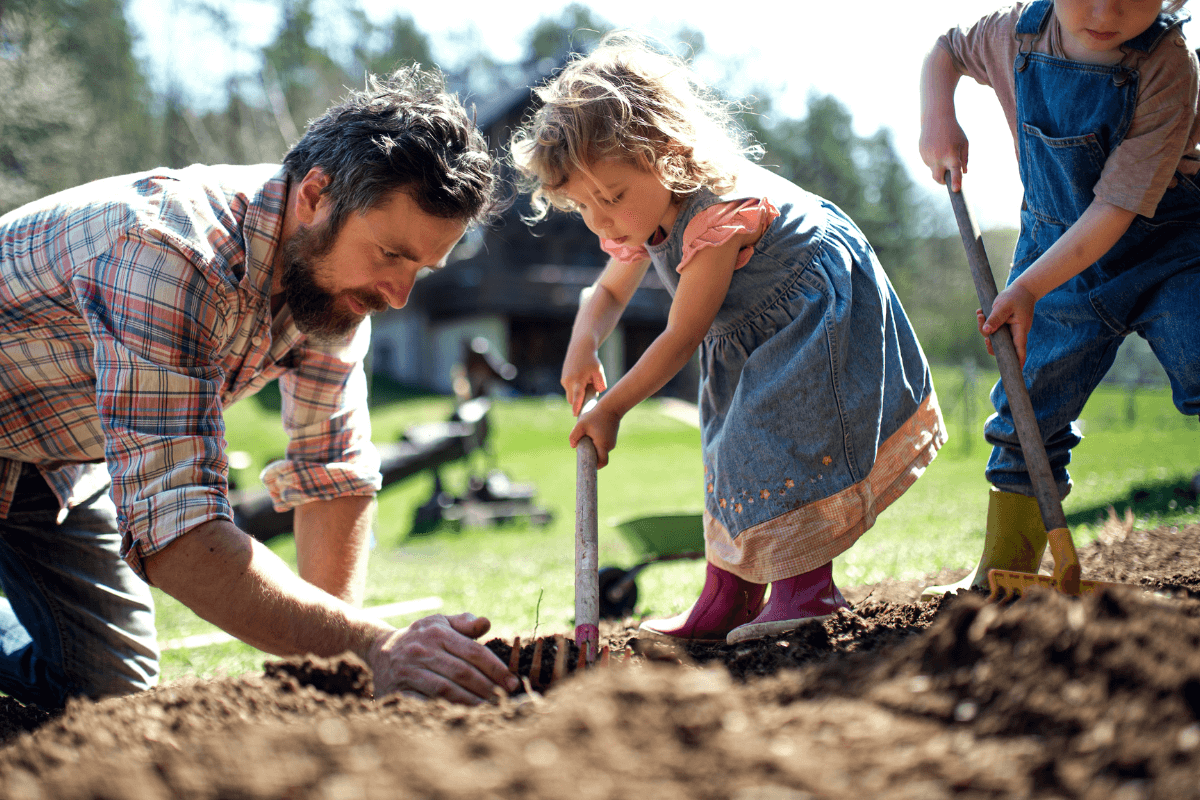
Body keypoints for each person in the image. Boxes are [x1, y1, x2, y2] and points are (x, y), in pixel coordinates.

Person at [0, 65, 521, 709]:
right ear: (314, 196)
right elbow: (180, 531)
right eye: (390, 253)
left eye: (421, 266)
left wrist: (339, 676)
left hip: (45, 458)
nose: (398, 294)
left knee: (109, 689)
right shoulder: (168, 249)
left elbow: (332, 472)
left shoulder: (329, 283)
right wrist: (374, 649)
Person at [510, 34, 947, 645]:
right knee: (730, 451)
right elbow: (605, 294)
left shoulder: (717, 215)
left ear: (664, 154)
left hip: (809, 309)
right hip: (749, 328)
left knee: (780, 440)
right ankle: (729, 596)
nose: (604, 220)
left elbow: (682, 335)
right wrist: (583, 344)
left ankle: (806, 590)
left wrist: (613, 408)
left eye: (612, 197)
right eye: (585, 206)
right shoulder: (639, 210)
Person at [918, 0, 1200, 600]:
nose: (1105, 10)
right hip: (1056, 255)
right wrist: (939, 116)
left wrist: (1025, 288)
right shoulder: (1014, 34)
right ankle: (1001, 569)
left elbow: (1114, 208)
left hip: (1170, 253)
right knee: (1028, 403)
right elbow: (945, 49)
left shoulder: (1169, 64)